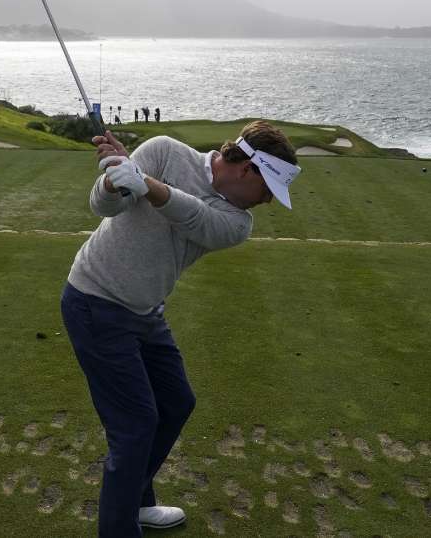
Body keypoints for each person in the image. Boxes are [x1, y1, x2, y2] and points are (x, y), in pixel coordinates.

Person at [61, 121, 301, 537]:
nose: (266, 203)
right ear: (248, 170)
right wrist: (114, 178)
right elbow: (104, 208)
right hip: (95, 300)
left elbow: (195, 217)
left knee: (176, 402)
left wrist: (146, 184)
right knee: (135, 426)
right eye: (267, 193)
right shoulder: (165, 151)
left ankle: (135, 499)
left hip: (145, 311)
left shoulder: (236, 221)